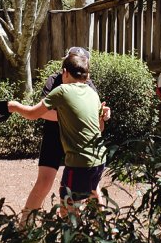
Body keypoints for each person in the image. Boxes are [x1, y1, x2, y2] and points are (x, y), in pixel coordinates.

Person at [8, 49, 108, 218]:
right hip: (65, 142)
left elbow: (33, 114)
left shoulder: (70, 89)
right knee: (47, 184)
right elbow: (97, 125)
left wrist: (14, 106)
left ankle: (82, 237)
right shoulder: (59, 83)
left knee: (73, 204)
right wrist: (74, 117)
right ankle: (25, 228)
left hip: (80, 151)